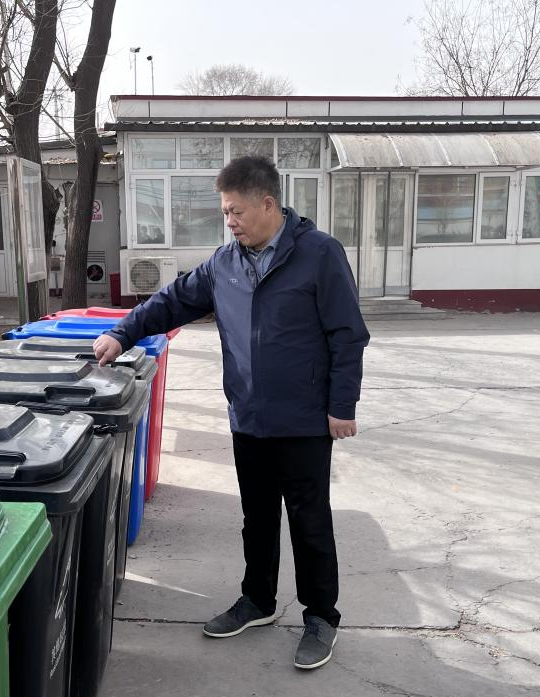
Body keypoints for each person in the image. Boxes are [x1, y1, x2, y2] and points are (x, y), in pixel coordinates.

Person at [94, 155, 369, 670]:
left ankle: (320, 617)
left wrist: (341, 406)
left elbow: (347, 335)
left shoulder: (319, 254)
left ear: (268, 204)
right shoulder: (225, 263)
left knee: (309, 521)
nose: (230, 221)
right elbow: (172, 301)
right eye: (225, 212)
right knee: (256, 517)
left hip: (305, 418)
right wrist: (122, 332)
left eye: (235, 211)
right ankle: (257, 601)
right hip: (249, 415)